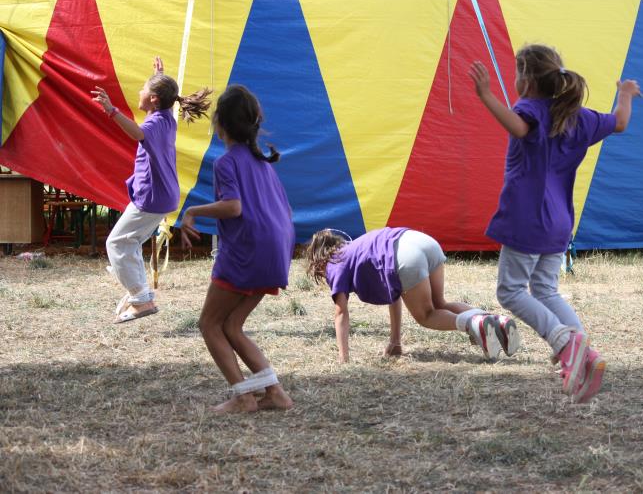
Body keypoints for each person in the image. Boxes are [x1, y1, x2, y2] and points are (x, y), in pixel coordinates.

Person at [468, 44, 642, 403]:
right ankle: (584, 357)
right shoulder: (579, 117)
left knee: (510, 292)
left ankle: (565, 343)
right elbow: (620, 122)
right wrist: (624, 94)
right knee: (545, 290)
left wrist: (486, 95)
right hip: (560, 221)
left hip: (528, 218)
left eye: (517, 72)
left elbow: (518, 127)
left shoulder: (529, 109)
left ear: (527, 79)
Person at [181, 84, 294, 413]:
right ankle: (275, 393)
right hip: (275, 253)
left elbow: (233, 207)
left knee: (209, 324)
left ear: (220, 125)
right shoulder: (264, 165)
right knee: (231, 326)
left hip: (247, 253)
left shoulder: (226, 163)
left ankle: (244, 397)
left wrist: (192, 212)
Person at [91, 57, 211, 323]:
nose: (139, 93)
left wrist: (111, 109)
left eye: (144, 90)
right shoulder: (166, 117)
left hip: (153, 197)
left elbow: (136, 132)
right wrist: (159, 75)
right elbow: (157, 104)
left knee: (117, 243)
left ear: (155, 99)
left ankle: (141, 299)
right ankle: (140, 293)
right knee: (129, 243)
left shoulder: (155, 124)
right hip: (162, 196)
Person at [305, 227, 520, 363]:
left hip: (404, 256)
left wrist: (343, 359)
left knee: (426, 315)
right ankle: (494, 320)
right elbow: (394, 293)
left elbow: (341, 313)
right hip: (420, 240)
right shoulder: (360, 248)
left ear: (320, 259)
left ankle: (476, 326)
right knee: (440, 303)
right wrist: (395, 342)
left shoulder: (334, 263)